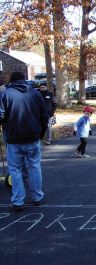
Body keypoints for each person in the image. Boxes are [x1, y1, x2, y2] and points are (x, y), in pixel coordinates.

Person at [0, 72, 49, 211]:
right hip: (33, 136)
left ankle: (18, 200)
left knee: (15, 170)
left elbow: (1, 115)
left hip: (14, 138)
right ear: (24, 80)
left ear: (11, 80)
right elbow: (44, 115)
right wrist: (41, 133)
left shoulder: (5, 94)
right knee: (34, 166)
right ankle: (37, 197)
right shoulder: (35, 93)